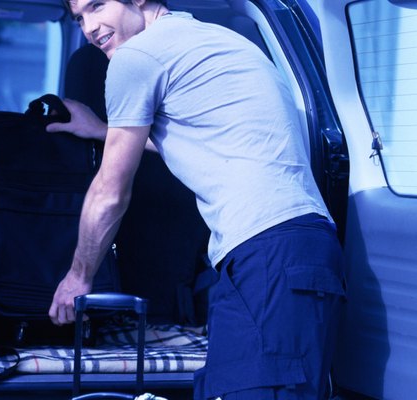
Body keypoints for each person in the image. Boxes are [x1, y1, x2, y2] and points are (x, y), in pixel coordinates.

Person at [46, 1, 345, 399]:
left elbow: (110, 191)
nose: (88, 27)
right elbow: (207, 133)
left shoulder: (135, 58)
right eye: (80, 17)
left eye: (97, 6)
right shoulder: (218, 40)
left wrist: (78, 276)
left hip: (265, 256)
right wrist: (103, 130)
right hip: (302, 249)